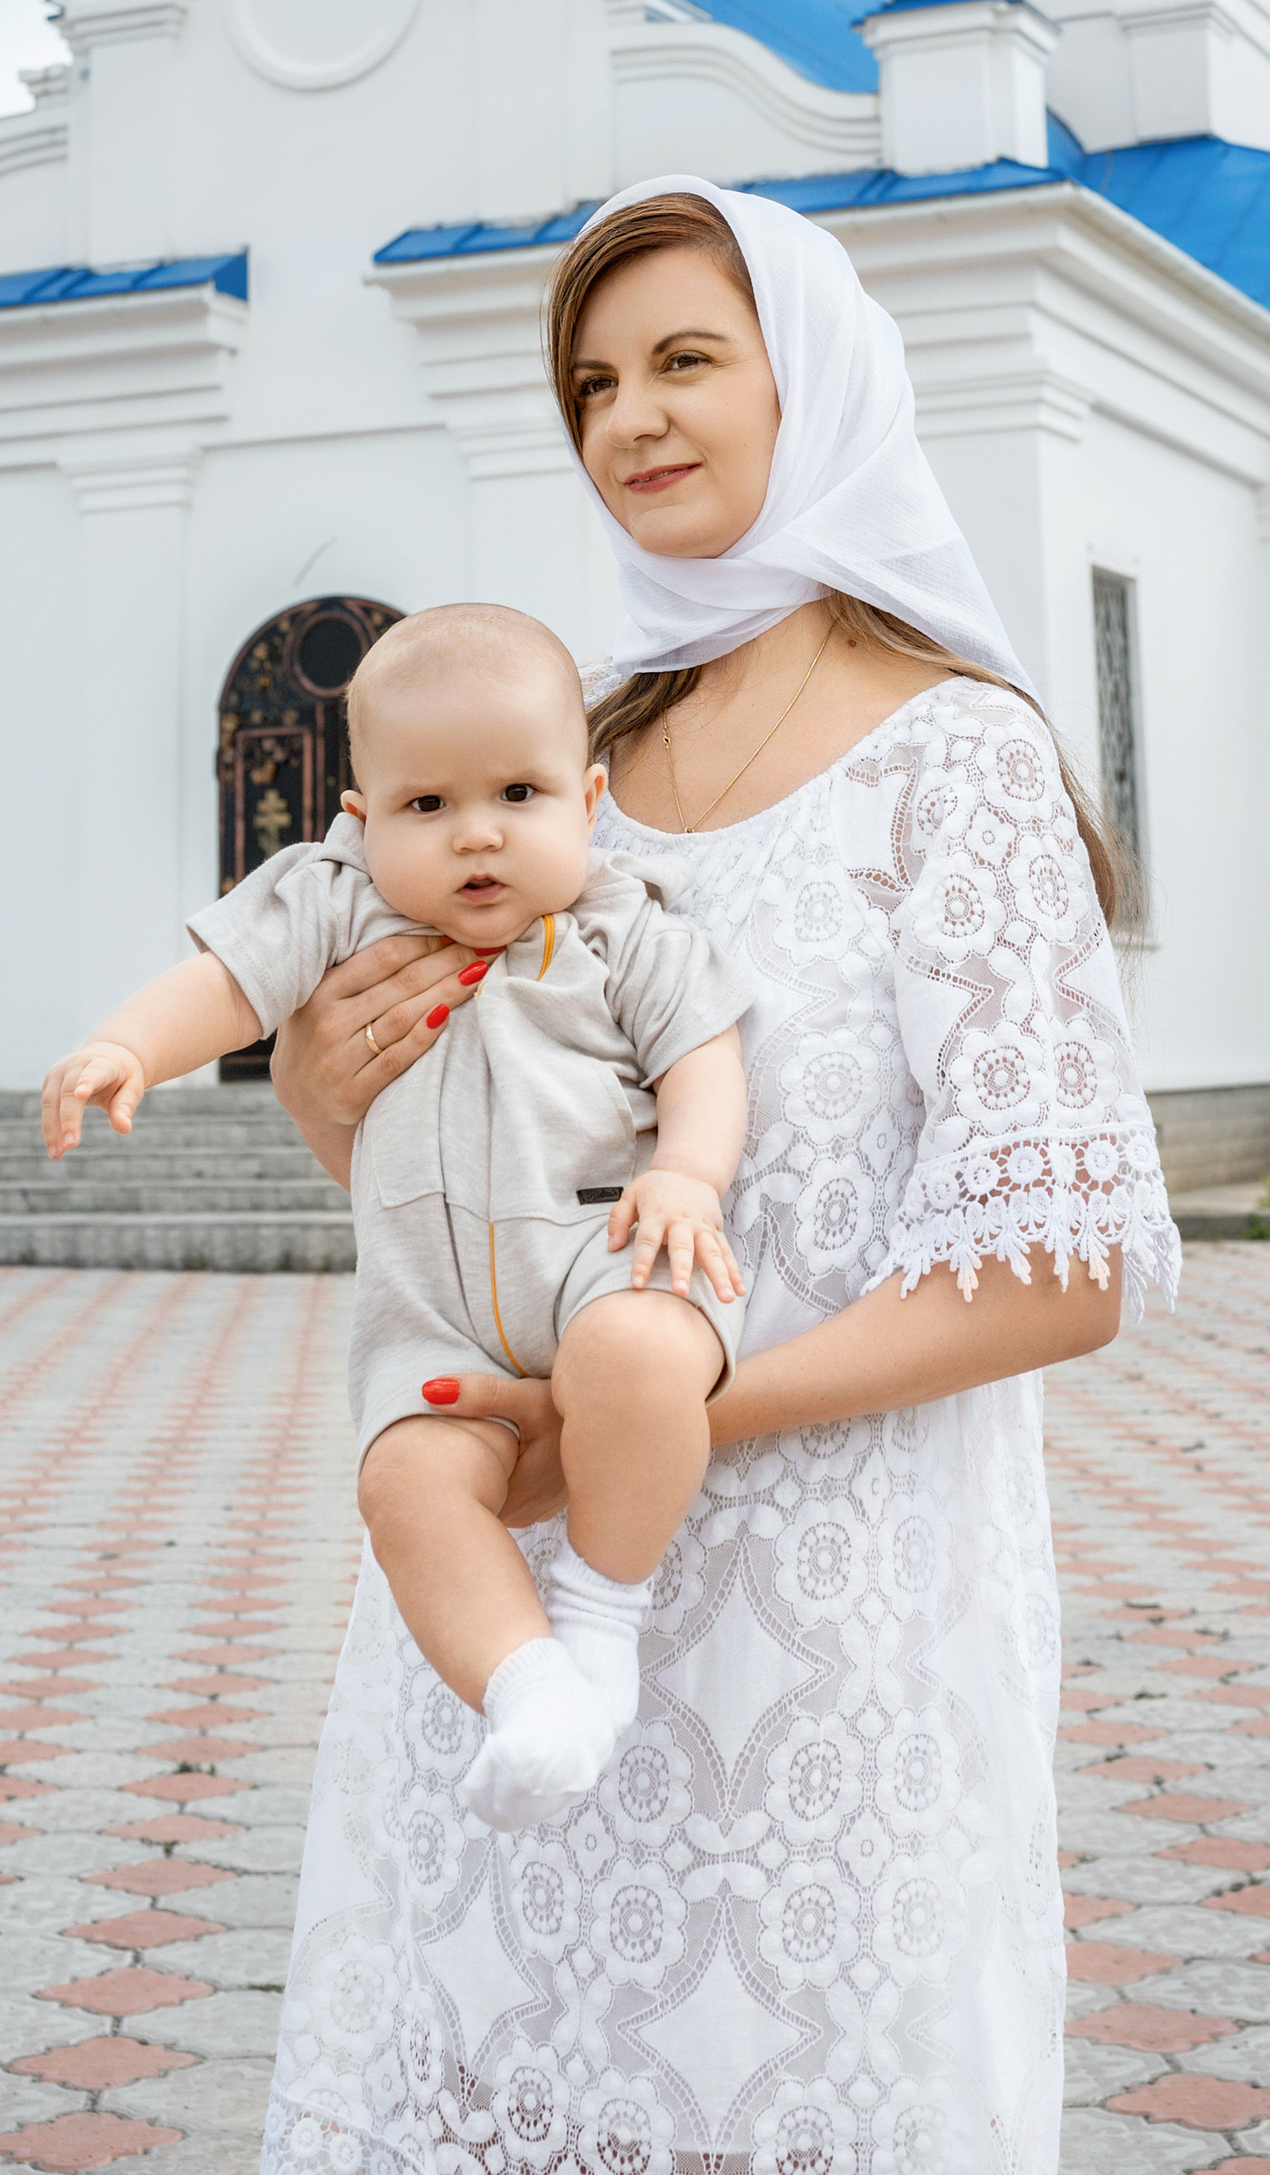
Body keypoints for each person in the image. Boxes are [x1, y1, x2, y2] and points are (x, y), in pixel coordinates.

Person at [262, 176, 1182, 2175]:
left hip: (827, 1624)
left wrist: (640, 1417)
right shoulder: (546, 763)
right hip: (506, 1647)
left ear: (815, 379)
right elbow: (455, 1151)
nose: (628, 420)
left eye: (686, 359)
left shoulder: (952, 754)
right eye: (590, 381)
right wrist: (330, 1104)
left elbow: (1062, 1268)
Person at [39, 602, 753, 1833]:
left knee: (641, 1355)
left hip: (603, 1258)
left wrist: (686, 1172)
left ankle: (596, 1615)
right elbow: (224, 980)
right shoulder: (338, 905)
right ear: (361, 819)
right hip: (431, 1320)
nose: (477, 833)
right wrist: (127, 1046)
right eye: (427, 807)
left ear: (587, 800)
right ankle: (531, 1693)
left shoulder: (620, 926)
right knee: (407, 1487)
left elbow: (704, 1059)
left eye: (518, 794)